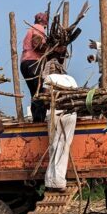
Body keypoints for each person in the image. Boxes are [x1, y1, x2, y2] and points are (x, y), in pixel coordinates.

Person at [41, 61, 78, 192]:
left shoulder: (49, 78)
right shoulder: (71, 79)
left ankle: (54, 181)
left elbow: (45, 97)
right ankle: (55, 180)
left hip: (56, 112)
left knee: (54, 145)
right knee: (64, 146)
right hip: (71, 113)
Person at [20, 12, 49, 122]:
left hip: (25, 63)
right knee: (40, 92)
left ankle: (37, 119)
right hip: (33, 62)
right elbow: (36, 44)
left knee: (34, 93)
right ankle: (39, 120)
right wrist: (50, 48)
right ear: (43, 21)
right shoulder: (38, 28)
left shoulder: (31, 29)